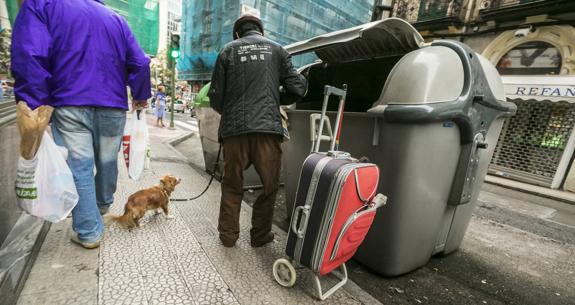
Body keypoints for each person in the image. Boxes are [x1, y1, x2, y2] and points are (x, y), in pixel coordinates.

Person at [11, 0, 151, 249]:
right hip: (112, 105)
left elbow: (30, 54)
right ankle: (100, 207)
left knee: (79, 167)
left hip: (69, 101)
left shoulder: (42, 4)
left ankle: (89, 231)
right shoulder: (116, 18)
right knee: (108, 161)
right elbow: (139, 61)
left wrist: (34, 103)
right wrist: (140, 95)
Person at [209, 13, 307, 248]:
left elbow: (215, 97)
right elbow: (298, 88)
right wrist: (275, 97)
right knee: (270, 185)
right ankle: (260, 235)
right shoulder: (277, 50)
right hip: (267, 131)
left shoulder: (227, 51)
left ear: (237, 33)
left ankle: (228, 236)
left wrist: (232, 111)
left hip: (234, 133)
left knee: (232, 185)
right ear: (260, 31)